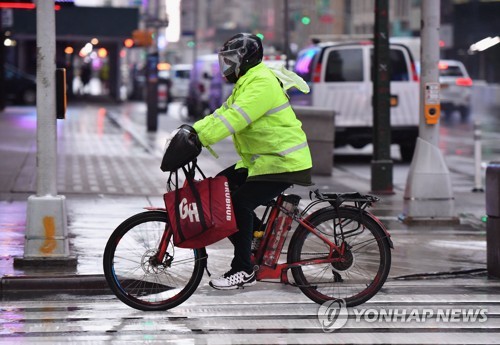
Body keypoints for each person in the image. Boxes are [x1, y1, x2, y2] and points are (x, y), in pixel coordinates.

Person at [192, 33, 312, 290]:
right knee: (220, 187)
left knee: (238, 204)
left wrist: (201, 139)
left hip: (283, 162)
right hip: (264, 161)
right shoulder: (248, 81)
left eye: (231, 60)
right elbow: (222, 113)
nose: (227, 67)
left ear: (245, 60)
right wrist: (192, 132)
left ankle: (243, 269)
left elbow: (234, 118)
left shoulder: (261, 84)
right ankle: (257, 237)